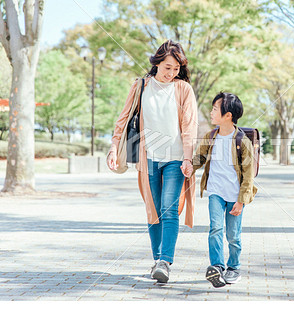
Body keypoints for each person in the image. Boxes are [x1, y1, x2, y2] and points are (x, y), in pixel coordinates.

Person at [106, 40, 198, 283]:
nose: (171, 73)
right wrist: (114, 147)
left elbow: (189, 126)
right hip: (148, 159)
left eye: (176, 69)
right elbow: (123, 119)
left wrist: (188, 158)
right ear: (157, 62)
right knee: (153, 210)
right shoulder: (141, 86)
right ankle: (158, 260)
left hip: (176, 159)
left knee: (169, 209)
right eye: (167, 67)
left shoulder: (183, 89)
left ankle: (165, 261)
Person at [191, 92, 257, 288]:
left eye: (214, 109)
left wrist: (241, 200)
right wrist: (188, 166)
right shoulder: (210, 136)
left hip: (235, 196)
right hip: (215, 192)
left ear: (228, 115)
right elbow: (199, 159)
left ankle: (233, 267)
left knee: (233, 235)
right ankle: (217, 267)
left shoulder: (241, 141)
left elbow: (248, 175)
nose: (211, 112)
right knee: (215, 229)